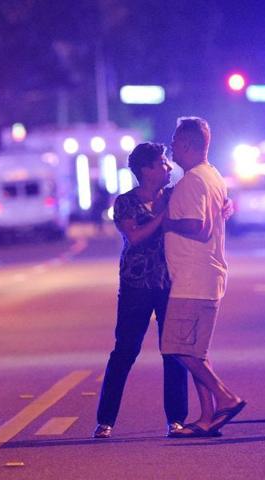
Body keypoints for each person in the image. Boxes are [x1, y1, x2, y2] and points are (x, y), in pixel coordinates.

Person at [94, 142, 189, 439]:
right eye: (162, 163)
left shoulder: (176, 195)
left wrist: (225, 206)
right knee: (125, 351)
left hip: (169, 283)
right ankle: (105, 420)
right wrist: (162, 216)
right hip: (136, 286)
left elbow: (204, 206)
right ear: (146, 170)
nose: (168, 168)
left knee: (173, 351)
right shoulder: (125, 203)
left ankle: (176, 419)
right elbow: (134, 237)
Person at [161, 117, 246, 438]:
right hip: (203, 275)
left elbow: (199, 227)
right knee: (196, 351)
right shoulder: (213, 177)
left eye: (174, 141)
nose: (171, 147)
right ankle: (208, 417)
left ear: (186, 145)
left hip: (193, 279)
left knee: (176, 348)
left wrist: (167, 223)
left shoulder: (195, 180)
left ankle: (226, 398)